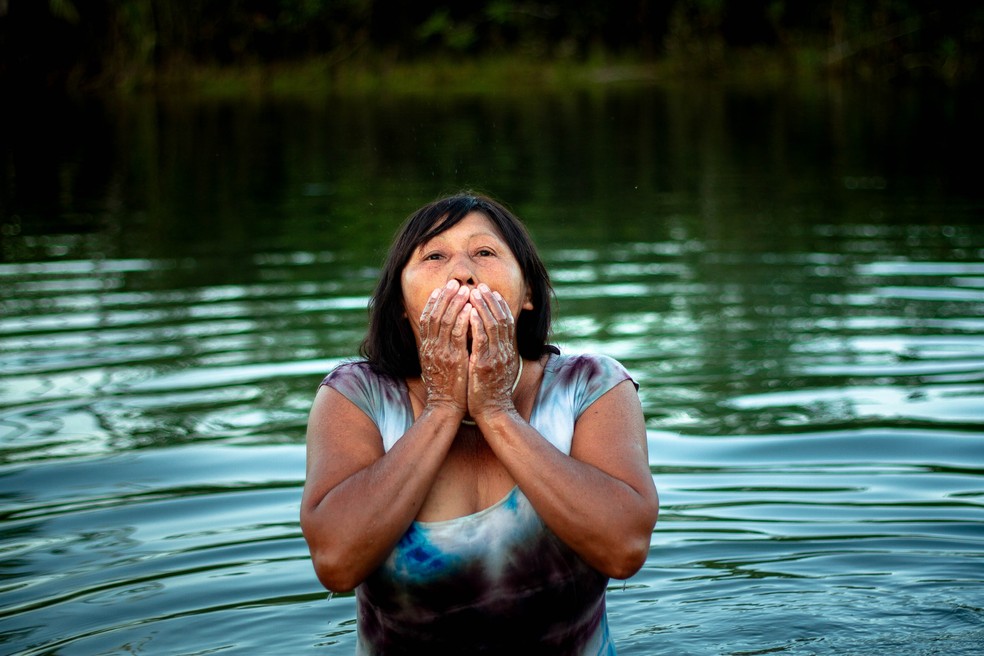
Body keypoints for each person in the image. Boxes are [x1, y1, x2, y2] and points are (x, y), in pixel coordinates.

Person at [300, 193, 659, 655]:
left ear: (528, 293)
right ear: (402, 306)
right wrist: (445, 406)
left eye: (485, 253)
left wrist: (496, 411)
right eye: (434, 256)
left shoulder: (591, 384)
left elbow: (625, 548)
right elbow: (336, 563)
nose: (462, 272)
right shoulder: (356, 395)